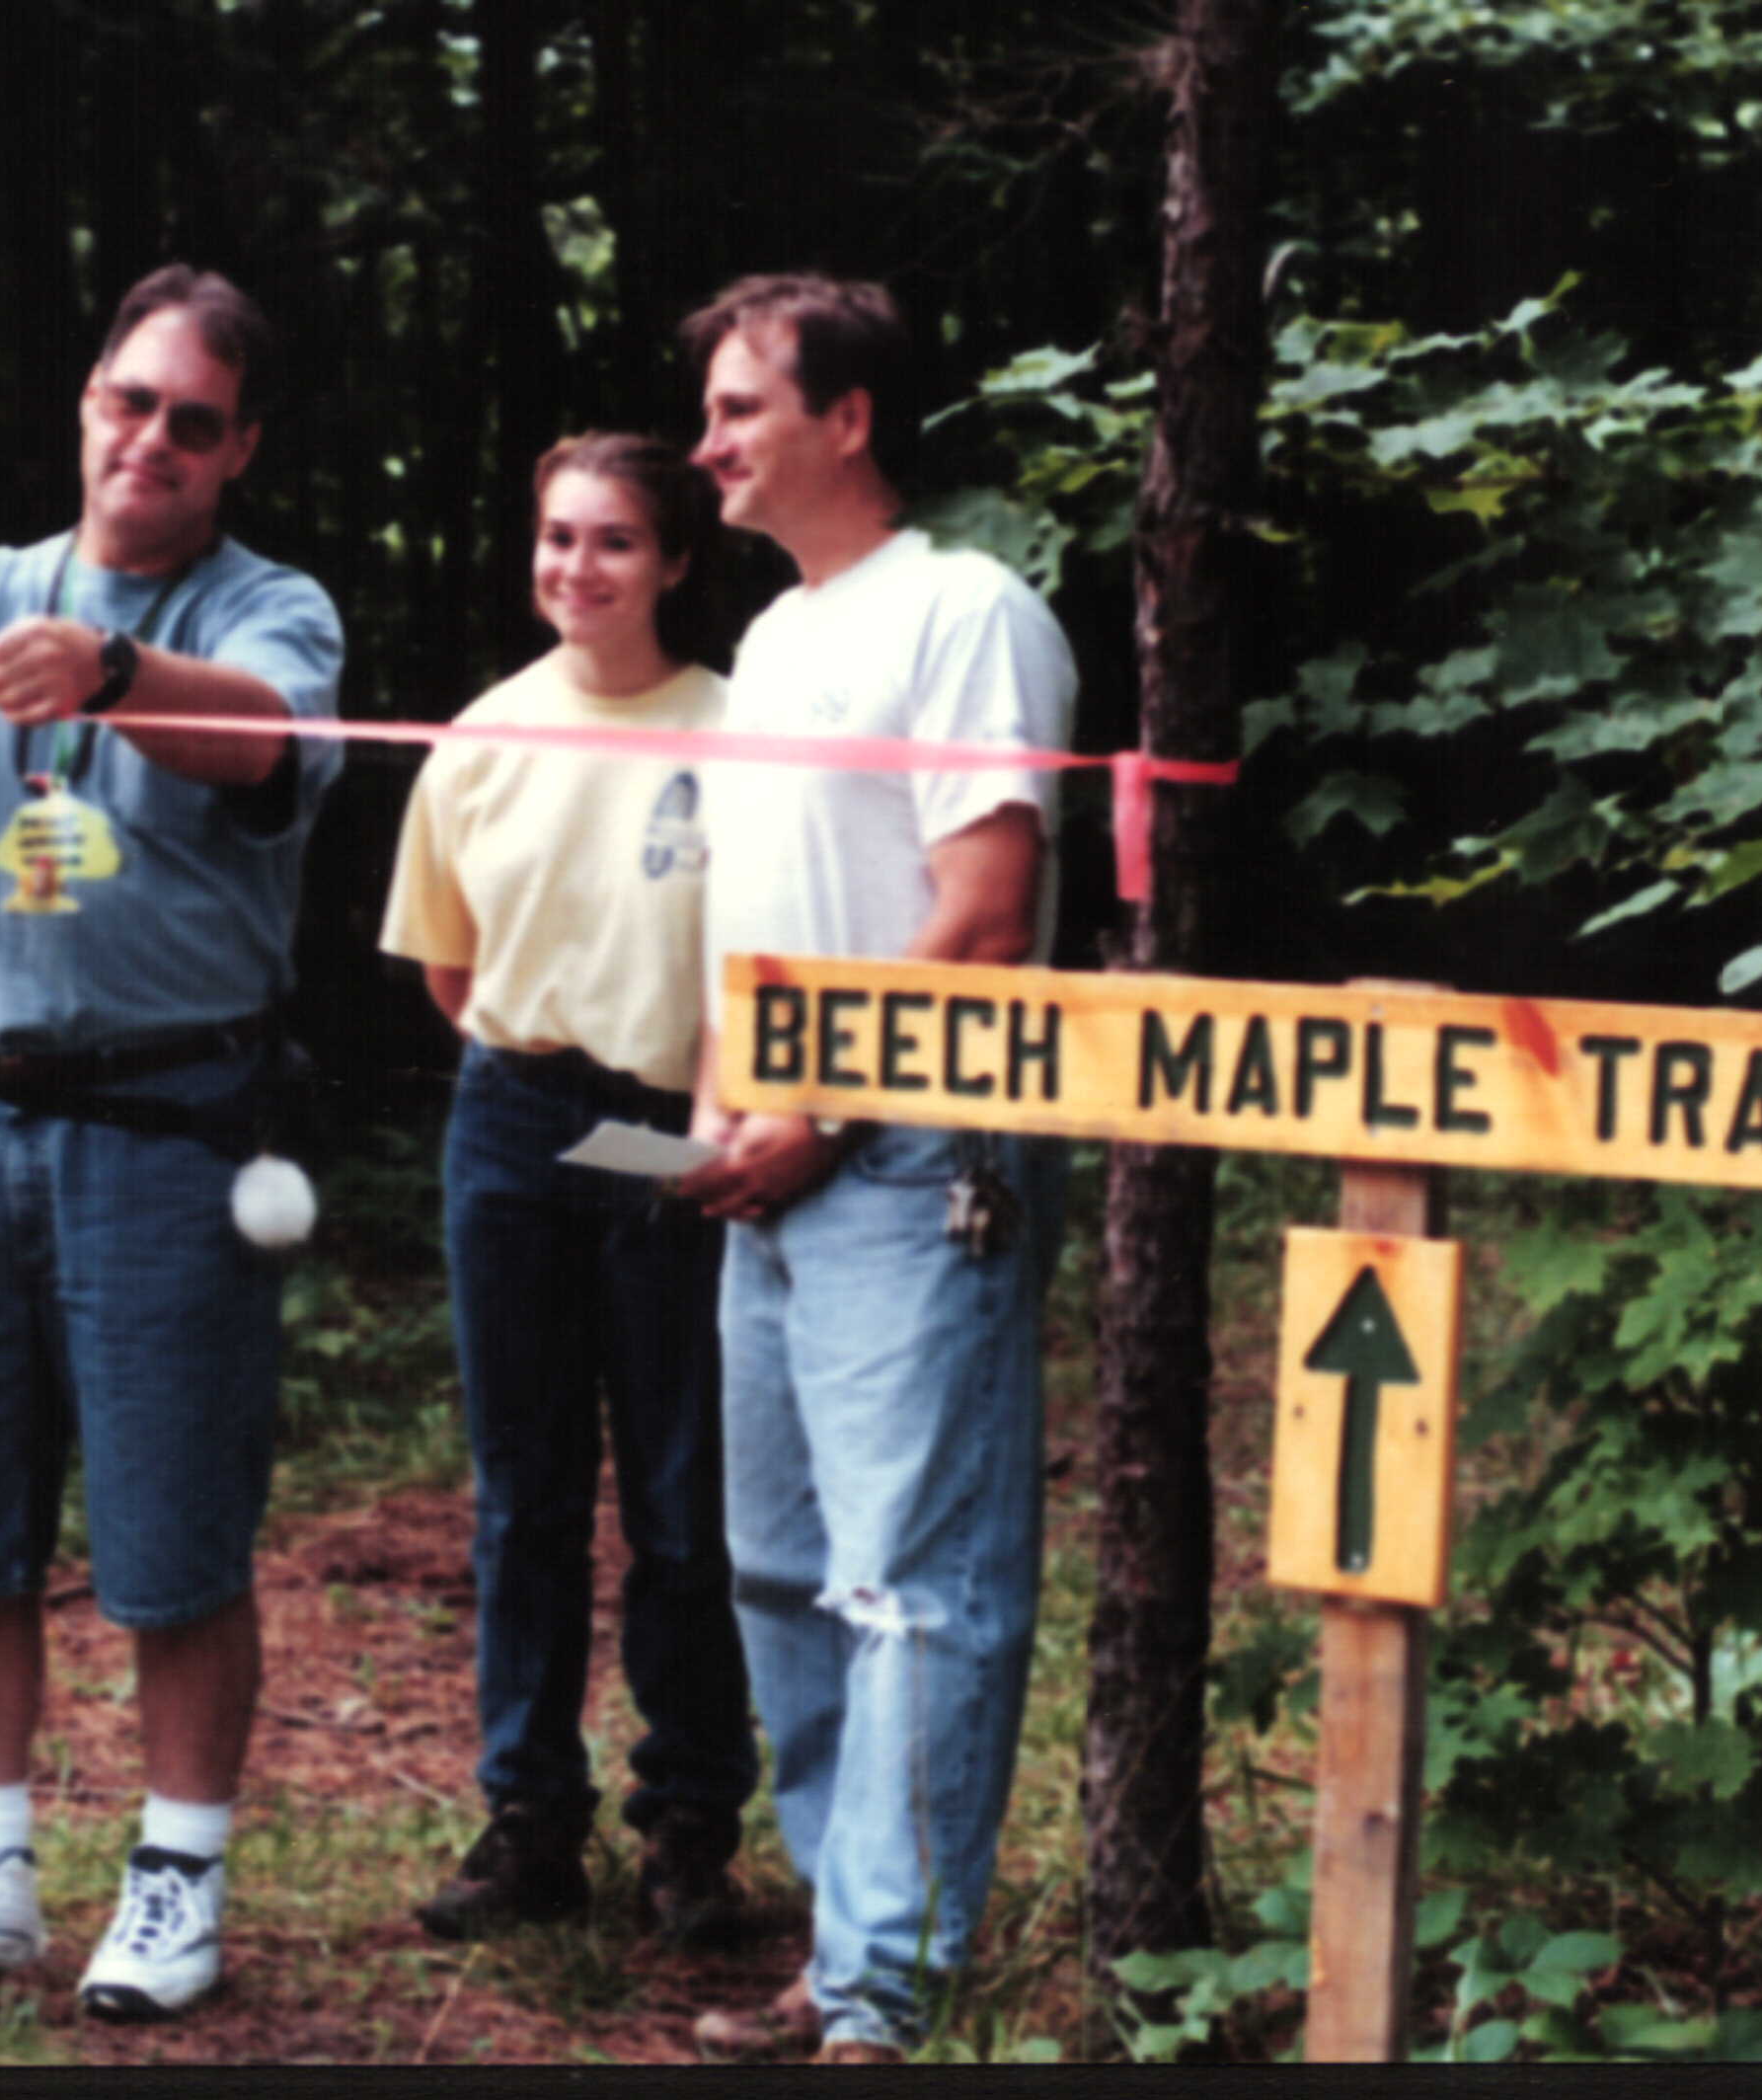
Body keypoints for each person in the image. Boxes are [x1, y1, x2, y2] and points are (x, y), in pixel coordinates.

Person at [0, 265, 344, 2022]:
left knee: (174, 1535)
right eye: (127, 402)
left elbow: (263, 744)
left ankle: (175, 1882)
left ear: (238, 445)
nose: (150, 441)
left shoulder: (274, 609)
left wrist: (112, 666)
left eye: (192, 420)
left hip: (170, 1135)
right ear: (84, 404)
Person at [668, 273, 1078, 2064]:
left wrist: (821, 1113)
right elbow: (761, 922)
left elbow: (978, 919)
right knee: (776, 1572)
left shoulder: (968, 610)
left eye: (741, 407)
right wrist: (714, 1105)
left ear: (847, 418)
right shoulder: (768, 639)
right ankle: (847, 1952)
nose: (707, 444)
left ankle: (885, 1996)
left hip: (917, 1160)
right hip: (770, 1163)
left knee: (913, 1581)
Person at [377, 433, 758, 1945]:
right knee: (525, 1495)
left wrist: (683, 1122)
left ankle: (688, 1831)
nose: (575, 569)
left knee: (682, 1501)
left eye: (611, 542)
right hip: (517, 1124)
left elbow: (762, 956)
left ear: (671, 561)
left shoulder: (741, 729)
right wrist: (545, 1094)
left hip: (673, 1136)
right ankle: (530, 1820)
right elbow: (451, 969)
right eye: (555, 538)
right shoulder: (481, 732)